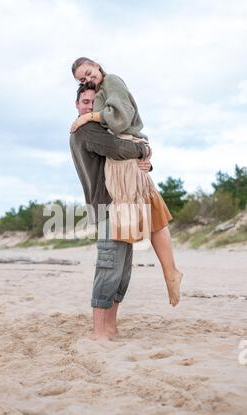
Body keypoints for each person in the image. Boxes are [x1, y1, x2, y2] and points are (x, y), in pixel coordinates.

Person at [71, 57, 183, 312]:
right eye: (81, 80)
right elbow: (114, 141)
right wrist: (144, 153)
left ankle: (171, 272)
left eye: (88, 73)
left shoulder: (111, 81)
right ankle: (170, 271)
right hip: (125, 163)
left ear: (98, 66)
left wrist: (90, 117)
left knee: (153, 212)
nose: (87, 79)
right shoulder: (100, 96)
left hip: (124, 162)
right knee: (153, 212)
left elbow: (120, 120)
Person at [70, 85, 151, 340]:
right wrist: (144, 149)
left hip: (122, 203)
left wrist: (146, 162)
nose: (89, 106)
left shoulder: (103, 128)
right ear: (77, 105)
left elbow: (123, 157)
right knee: (108, 267)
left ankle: (111, 327)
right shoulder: (85, 130)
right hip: (106, 205)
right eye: (85, 101)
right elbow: (118, 149)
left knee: (123, 270)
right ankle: (98, 332)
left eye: (95, 102)